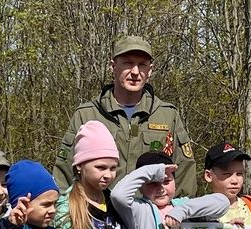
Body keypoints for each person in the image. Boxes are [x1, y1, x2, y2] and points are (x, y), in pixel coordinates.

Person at [54, 35, 198, 197]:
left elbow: (184, 170)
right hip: (97, 214)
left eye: (142, 65)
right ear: (113, 66)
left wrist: (175, 212)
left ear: (150, 70)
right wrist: (64, 212)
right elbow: (64, 171)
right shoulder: (87, 114)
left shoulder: (167, 115)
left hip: (150, 215)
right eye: (128, 63)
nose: (135, 72)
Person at [204, 140, 251, 227]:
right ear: (208, 176)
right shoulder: (201, 210)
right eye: (227, 174)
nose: (235, 181)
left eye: (239, 174)